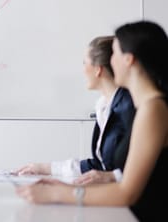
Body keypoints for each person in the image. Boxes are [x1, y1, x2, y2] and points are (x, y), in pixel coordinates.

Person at [16, 21, 168, 221]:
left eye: (114, 54)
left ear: (129, 60)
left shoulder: (153, 108)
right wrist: (66, 187)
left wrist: (57, 194)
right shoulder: (148, 106)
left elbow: (127, 192)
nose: (110, 62)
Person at [15, 36, 135, 184]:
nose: (83, 69)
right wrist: (44, 168)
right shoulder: (104, 107)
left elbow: (141, 167)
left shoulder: (128, 106)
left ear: (98, 70)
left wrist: (114, 176)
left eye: (84, 63)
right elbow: (100, 167)